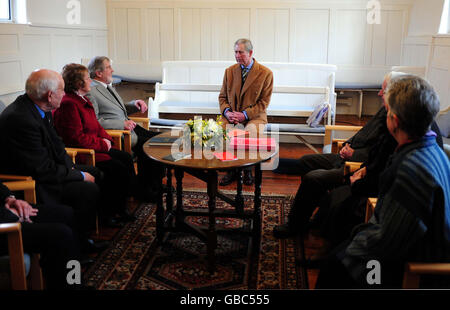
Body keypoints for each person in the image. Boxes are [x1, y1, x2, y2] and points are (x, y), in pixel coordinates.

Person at [315, 75, 450, 288]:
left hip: (407, 267)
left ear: (394, 121)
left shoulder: (411, 169)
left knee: (335, 267)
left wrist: (353, 242)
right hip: (414, 247)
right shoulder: (430, 149)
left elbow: (383, 246)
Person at [273, 71, 443, 239]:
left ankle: (297, 224)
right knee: (307, 161)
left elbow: (379, 162)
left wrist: (357, 161)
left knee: (313, 178)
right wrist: (348, 146)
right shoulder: (401, 122)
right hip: (355, 160)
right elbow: (368, 139)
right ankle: (275, 166)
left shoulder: (406, 137)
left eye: (383, 91)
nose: (379, 94)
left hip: (357, 164)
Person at [0, 69, 108, 254]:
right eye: (62, 90)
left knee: (95, 172)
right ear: (50, 95)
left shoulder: (42, 107)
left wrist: (74, 169)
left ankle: (83, 237)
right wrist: (79, 175)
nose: (65, 94)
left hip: (46, 170)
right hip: (33, 181)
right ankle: (79, 244)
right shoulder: (21, 118)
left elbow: (58, 146)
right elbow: (41, 169)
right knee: (87, 188)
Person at [53, 63, 137, 228]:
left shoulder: (82, 99)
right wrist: (103, 145)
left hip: (96, 147)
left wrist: (108, 140)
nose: (90, 81)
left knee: (125, 158)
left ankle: (122, 206)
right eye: (87, 78)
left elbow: (97, 126)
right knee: (116, 168)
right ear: (78, 83)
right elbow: (75, 138)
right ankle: (109, 213)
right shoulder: (69, 104)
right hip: (85, 153)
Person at [86, 56, 163, 201]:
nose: (112, 70)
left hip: (129, 127)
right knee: (149, 145)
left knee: (157, 139)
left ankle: (154, 183)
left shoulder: (107, 86)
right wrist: (121, 124)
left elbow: (118, 109)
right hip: (118, 132)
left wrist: (135, 104)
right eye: (109, 67)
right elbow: (96, 121)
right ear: (98, 73)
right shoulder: (91, 91)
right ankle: (144, 190)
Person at [0, 181, 81, 289]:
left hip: (6, 212)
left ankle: (75, 281)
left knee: (66, 214)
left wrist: (10, 199)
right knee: (61, 235)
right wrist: (11, 216)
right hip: (4, 225)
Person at [218, 38, 274, 186]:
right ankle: (231, 169)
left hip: (255, 116)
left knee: (250, 131)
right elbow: (222, 97)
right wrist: (227, 112)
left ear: (250, 53)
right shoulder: (229, 72)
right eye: (235, 52)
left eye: (240, 52)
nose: (237, 55)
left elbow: (264, 102)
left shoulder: (265, 73)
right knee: (222, 129)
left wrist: (244, 115)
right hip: (232, 115)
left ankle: (247, 169)